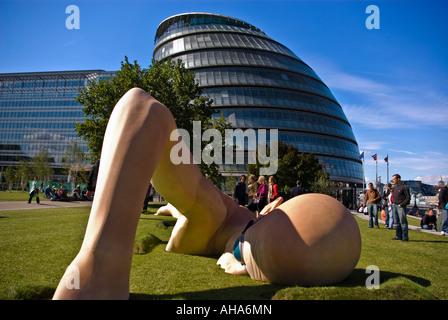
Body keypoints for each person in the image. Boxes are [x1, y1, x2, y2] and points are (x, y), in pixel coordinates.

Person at [52, 88, 361, 300]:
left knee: (145, 106)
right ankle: (158, 222)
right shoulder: (234, 221)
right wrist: (241, 252)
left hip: (211, 215)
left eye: (245, 251)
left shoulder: (218, 212)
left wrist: (103, 262)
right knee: (146, 114)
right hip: (209, 218)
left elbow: (143, 109)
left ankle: (102, 268)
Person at [391, 174, 410, 241]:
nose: (393, 181)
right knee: (396, 222)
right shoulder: (395, 187)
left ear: (398, 179)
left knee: (403, 222)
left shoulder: (404, 187)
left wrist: (402, 204)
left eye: (394, 179)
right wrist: (393, 202)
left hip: (400, 206)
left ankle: (405, 236)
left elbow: (408, 197)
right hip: (395, 205)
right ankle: (398, 236)